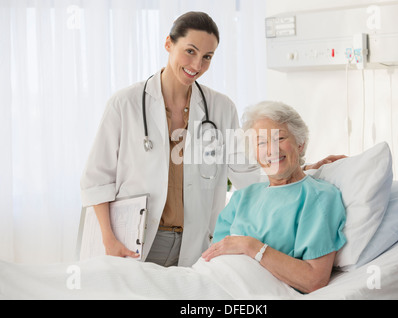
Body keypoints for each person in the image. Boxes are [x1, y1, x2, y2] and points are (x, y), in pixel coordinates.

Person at [81, 11, 343, 268]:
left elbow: (247, 173)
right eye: (190, 51)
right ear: (168, 43)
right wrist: (109, 238)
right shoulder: (125, 104)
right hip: (132, 242)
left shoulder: (220, 108)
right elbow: (97, 179)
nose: (197, 65)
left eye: (207, 57)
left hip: (193, 243)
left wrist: (302, 169)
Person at [202, 101, 347, 293]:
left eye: (279, 138)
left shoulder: (318, 198)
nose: (272, 150)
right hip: (210, 283)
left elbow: (314, 279)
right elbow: (214, 257)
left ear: (300, 143)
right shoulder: (242, 197)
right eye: (262, 142)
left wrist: (252, 246)